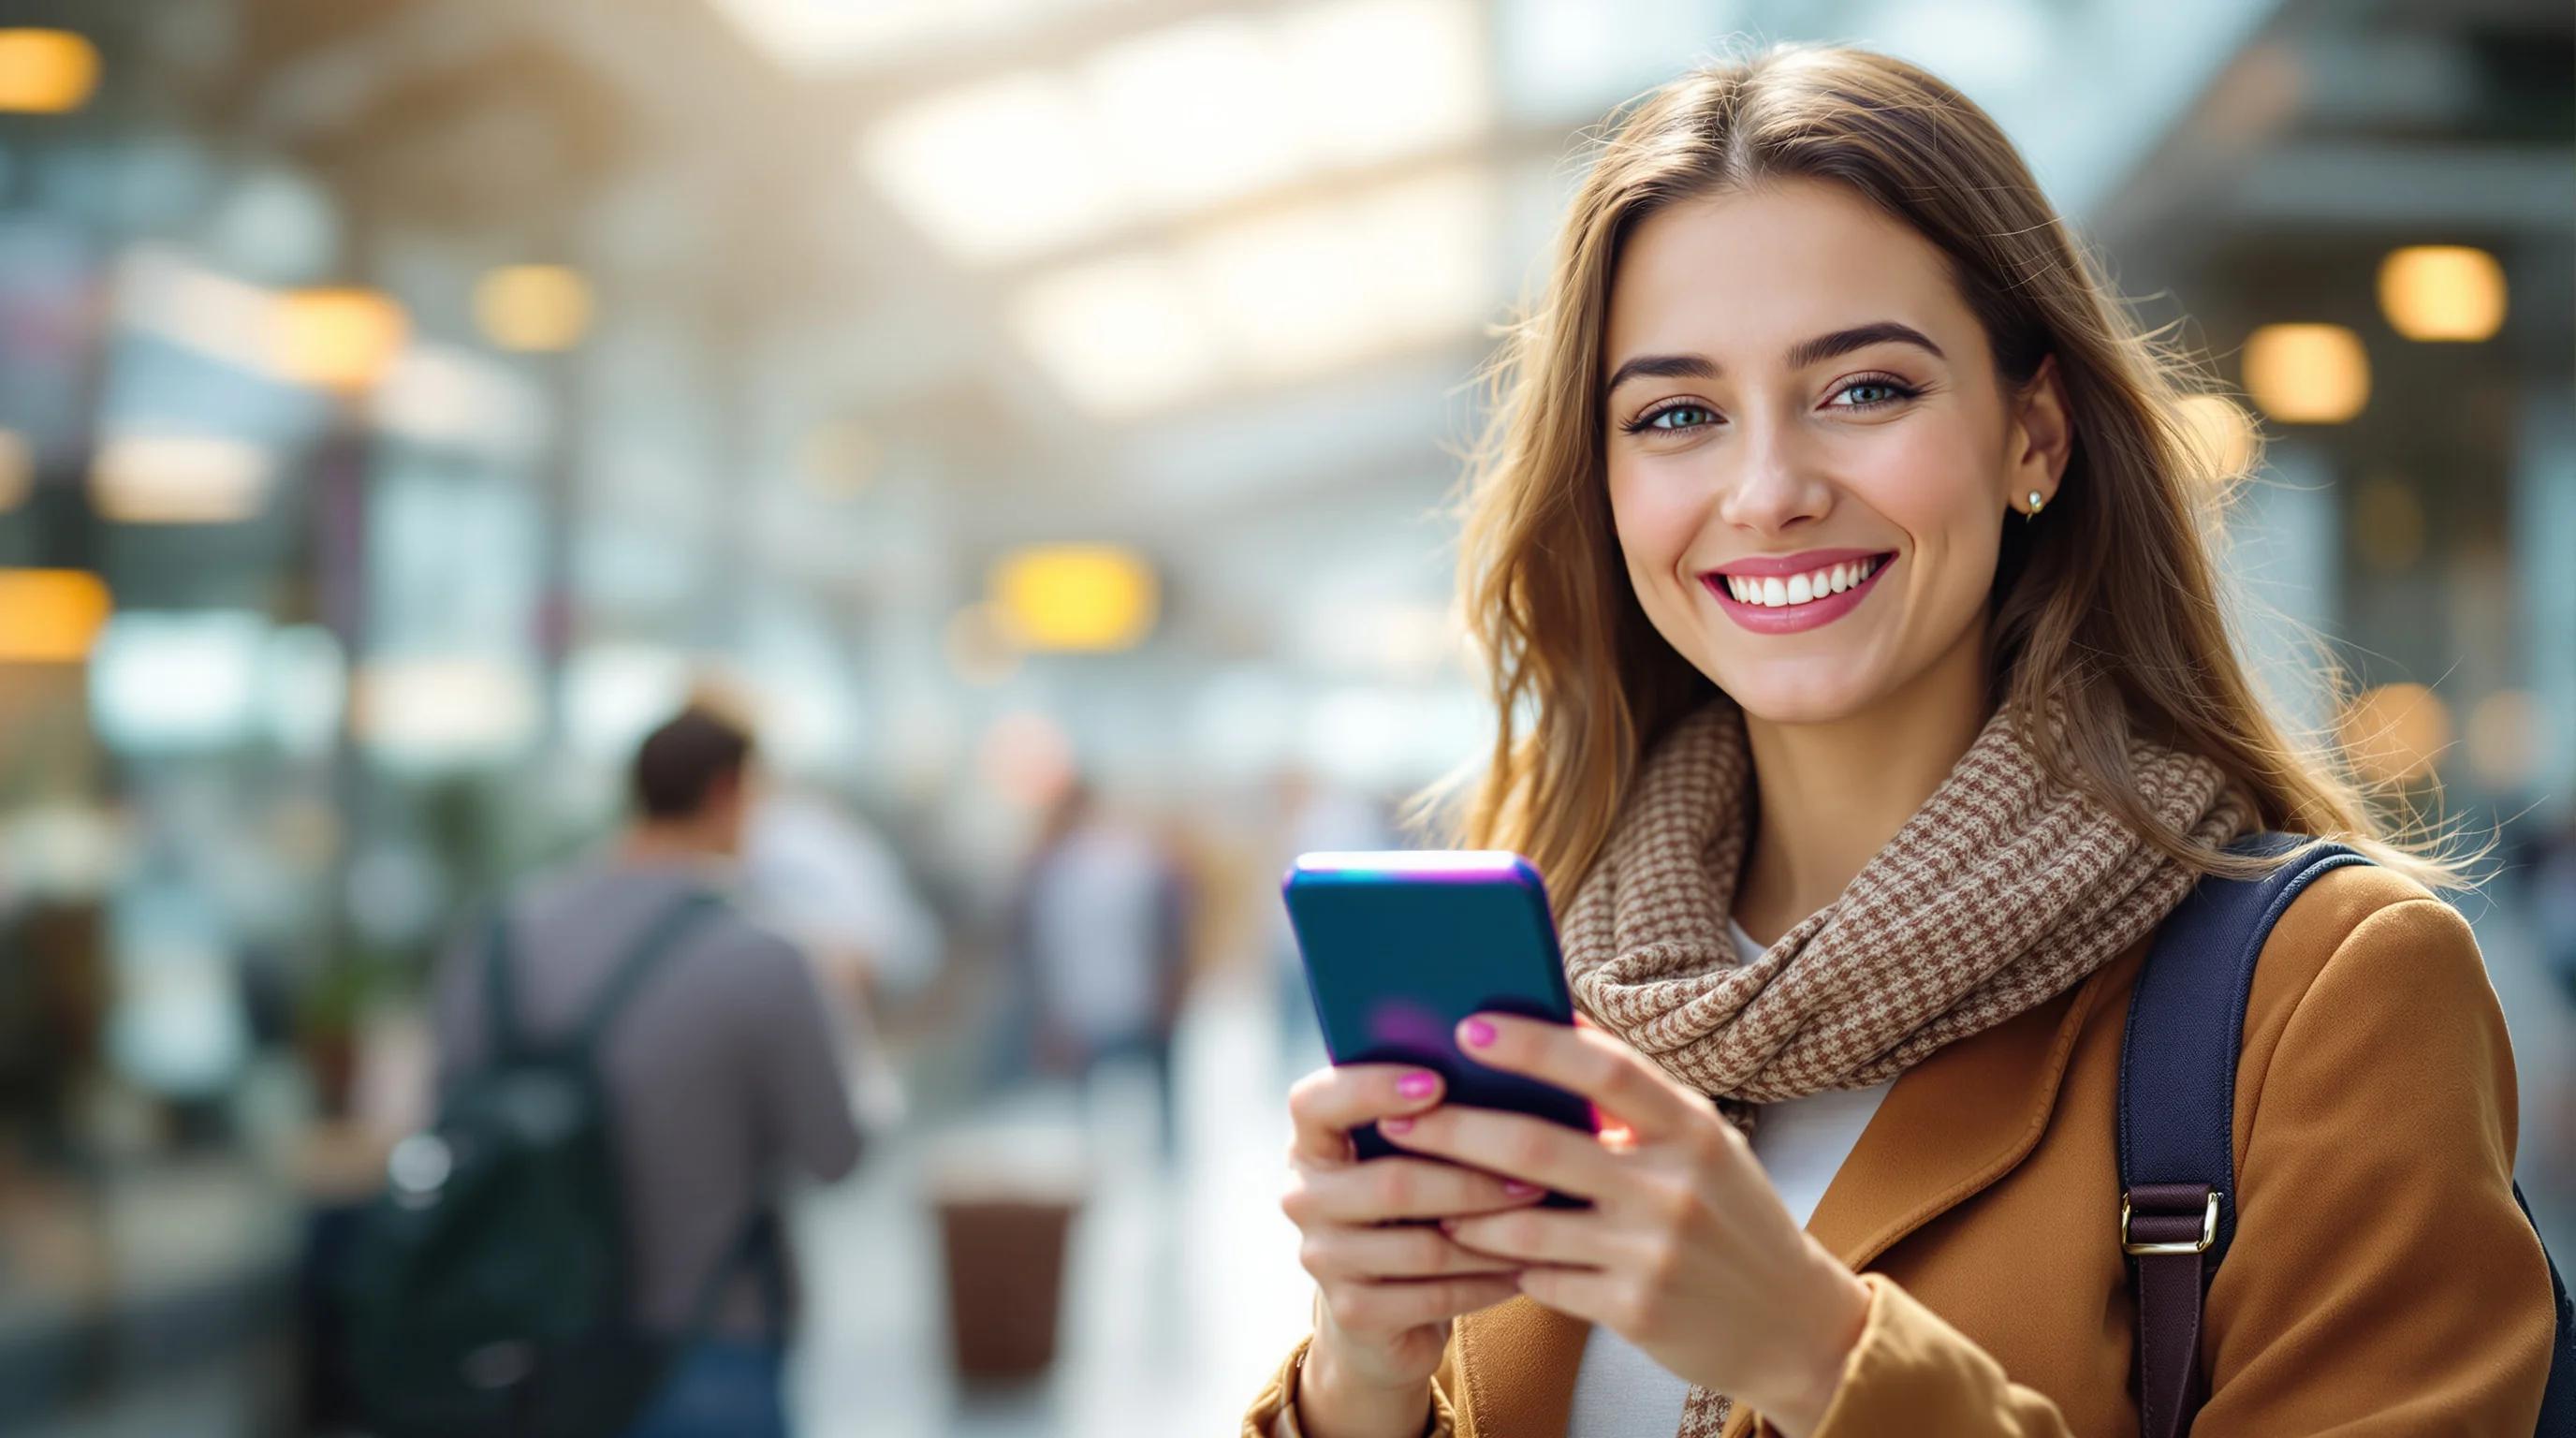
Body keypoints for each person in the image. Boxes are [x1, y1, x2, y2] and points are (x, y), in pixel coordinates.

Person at [1249, 44, 2555, 1438]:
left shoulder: (2327, 993)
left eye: (1864, 389)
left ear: (2033, 433)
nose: (1768, 492)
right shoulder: (1556, 981)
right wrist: (1360, 1382)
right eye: (1678, 415)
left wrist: (1817, 1355)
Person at [432, 704, 862, 1438]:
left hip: (526, 1349)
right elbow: (836, 1153)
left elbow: (446, 1116)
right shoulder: (762, 957)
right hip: (712, 1337)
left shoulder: (499, 939)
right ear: (728, 792)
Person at [1008, 777, 1191, 1161]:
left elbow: (1042, 948)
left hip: (1094, 999)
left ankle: (1115, 1158)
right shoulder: (1126, 860)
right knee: (1147, 1096)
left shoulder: (1061, 868)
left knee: (1092, 1103)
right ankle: (1160, 1158)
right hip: (1114, 997)